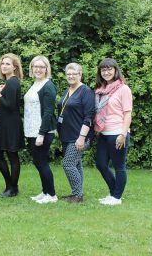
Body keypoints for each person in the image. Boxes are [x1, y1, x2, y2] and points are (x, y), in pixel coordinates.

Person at [94, 58, 132, 206]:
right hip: (103, 133)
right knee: (101, 164)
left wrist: (123, 134)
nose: (106, 72)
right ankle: (113, 192)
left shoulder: (123, 89)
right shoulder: (100, 90)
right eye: (103, 70)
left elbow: (127, 113)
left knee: (119, 166)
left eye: (110, 69)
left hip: (117, 133)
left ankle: (116, 197)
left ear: (116, 70)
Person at [57, 63, 95, 203]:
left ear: (80, 75)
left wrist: (82, 137)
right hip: (67, 135)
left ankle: (77, 195)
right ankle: (77, 193)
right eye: (68, 74)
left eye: (74, 74)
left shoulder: (86, 91)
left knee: (68, 163)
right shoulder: (68, 90)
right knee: (76, 164)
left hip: (78, 136)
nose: (71, 76)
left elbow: (89, 116)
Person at [24, 55, 58, 204]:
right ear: (32, 68)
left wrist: (41, 134)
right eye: (35, 66)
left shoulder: (48, 85)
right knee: (38, 162)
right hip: (32, 130)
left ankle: (51, 195)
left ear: (46, 69)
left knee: (42, 162)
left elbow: (48, 112)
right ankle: (45, 192)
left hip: (42, 131)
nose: (38, 69)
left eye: (41, 67)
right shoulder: (35, 84)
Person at [0, 53, 25, 198]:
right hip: (5, 123)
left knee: (11, 155)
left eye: (7, 64)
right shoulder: (9, 82)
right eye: (2, 64)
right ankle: (10, 186)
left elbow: (11, 106)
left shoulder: (12, 82)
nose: (4, 66)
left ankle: (12, 188)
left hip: (11, 124)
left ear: (14, 67)